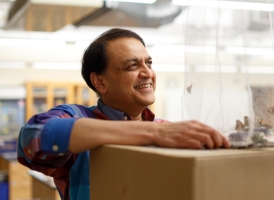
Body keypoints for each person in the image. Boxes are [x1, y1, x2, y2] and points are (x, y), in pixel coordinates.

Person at [17, 28, 230, 200]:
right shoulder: (80, 117)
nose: (148, 73)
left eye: (149, 63)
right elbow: (33, 137)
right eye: (132, 66)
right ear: (100, 82)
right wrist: (153, 133)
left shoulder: (164, 128)